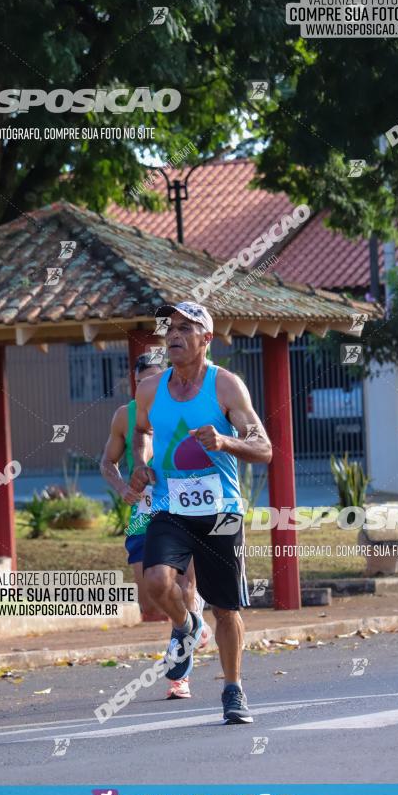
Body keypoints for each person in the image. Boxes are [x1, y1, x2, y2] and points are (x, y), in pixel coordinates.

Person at [129, 302, 272, 724]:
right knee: (156, 580)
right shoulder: (150, 389)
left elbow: (264, 448)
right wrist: (140, 463)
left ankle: (233, 689)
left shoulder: (226, 387)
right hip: (169, 506)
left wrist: (226, 443)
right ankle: (188, 625)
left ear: (206, 339)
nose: (173, 334)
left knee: (227, 608)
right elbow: (140, 433)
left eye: (186, 328)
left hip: (221, 510)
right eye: (170, 327)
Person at [100, 352, 210, 700]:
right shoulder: (125, 416)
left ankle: (181, 674)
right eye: (145, 380)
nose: (152, 385)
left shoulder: (187, 405)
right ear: (137, 384)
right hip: (146, 512)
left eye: (158, 378)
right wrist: (122, 489)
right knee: (150, 599)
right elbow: (107, 462)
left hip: (185, 506)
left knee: (185, 586)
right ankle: (191, 623)